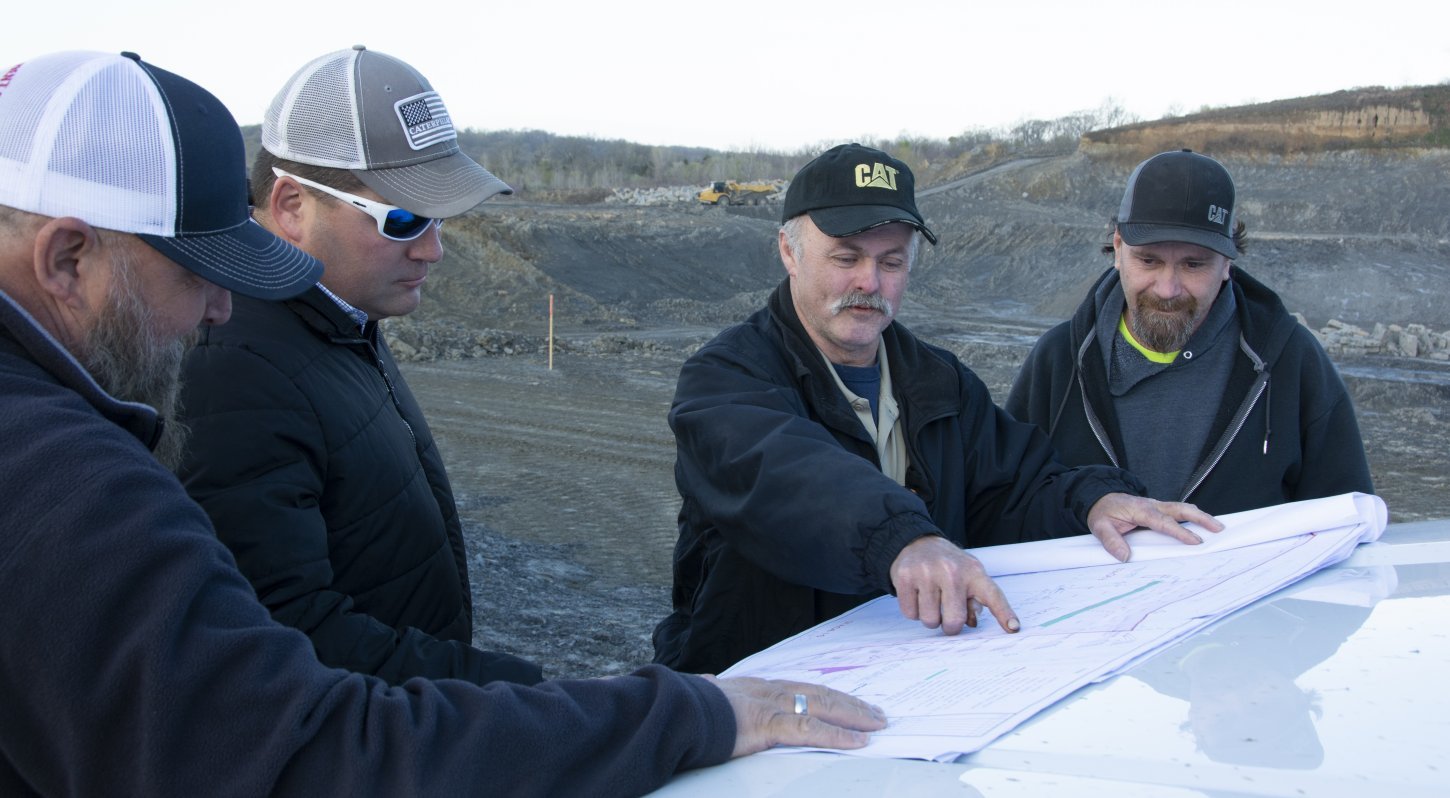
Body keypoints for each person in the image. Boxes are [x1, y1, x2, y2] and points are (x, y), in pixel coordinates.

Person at [0, 49, 886, 797]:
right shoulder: (63, 476)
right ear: (68, 259)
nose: (221, 308)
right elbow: (292, 740)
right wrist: (651, 710)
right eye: (198, 270)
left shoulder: (341, 330)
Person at [652, 143, 1220, 675]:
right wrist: (904, 539)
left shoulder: (938, 379)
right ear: (789, 253)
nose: (869, 282)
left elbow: (1012, 489)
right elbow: (783, 474)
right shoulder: (726, 377)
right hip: (754, 685)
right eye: (846, 257)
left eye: (892, 262)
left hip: (905, 682)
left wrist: (1091, 499)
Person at [176, 46, 540, 686]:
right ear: (291, 205)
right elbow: (289, 637)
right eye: (402, 219)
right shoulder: (233, 367)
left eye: (440, 219)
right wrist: (512, 698)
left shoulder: (342, 318)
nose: (433, 250)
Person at [1006, 149, 1374, 515]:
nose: (1168, 288)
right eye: (1148, 260)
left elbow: (1347, 519)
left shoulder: (1291, 361)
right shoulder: (1058, 361)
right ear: (1118, 249)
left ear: (1227, 262)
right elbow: (1009, 506)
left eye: (1193, 264)